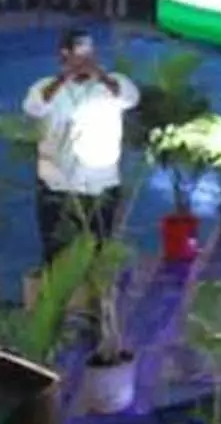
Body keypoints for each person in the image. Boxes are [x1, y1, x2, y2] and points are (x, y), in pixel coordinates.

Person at [23, 29, 139, 266]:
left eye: (90, 53)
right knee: (57, 253)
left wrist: (101, 76)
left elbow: (130, 98)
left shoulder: (112, 83)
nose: (87, 60)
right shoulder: (45, 86)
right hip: (57, 186)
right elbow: (35, 107)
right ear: (63, 55)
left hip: (101, 184)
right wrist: (64, 77)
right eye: (80, 54)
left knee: (99, 250)